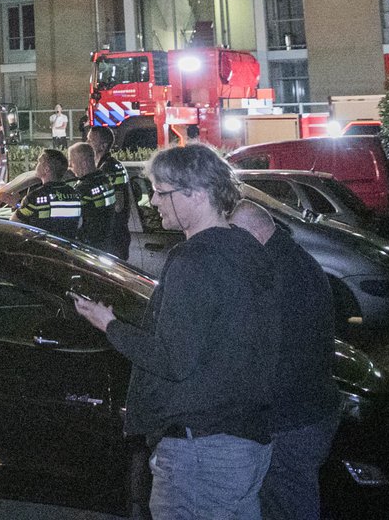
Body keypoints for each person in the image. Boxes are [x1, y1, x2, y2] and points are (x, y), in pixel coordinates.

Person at [71, 144, 276, 520]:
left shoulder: (193, 261)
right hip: (246, 440)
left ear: (195, 194)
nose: (152, 201)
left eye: (161, 192)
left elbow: (172, 360)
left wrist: (110, 325)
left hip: (203, 449)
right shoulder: (247, 252)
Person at [231, 201, 339, 520]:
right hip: (309, 410)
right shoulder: (293, 259)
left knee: (289, 502)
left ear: (252, 234)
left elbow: (266, 352)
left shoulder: (277, 276)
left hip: (292, 421)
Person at [12, 148, 81, 240]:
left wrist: (17, 204)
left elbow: (13, 223)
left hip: (44, 250)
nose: (36, 165)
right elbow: (79, 223)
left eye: (39, 162)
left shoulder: (35, 197)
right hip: (68, 249)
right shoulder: (74, 194)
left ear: (46, 169)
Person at [89, 124, 133, 259]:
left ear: (102, 146)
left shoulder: (109, 168)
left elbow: (118, 205)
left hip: (113, 237)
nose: (87, 144)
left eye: (90, 141)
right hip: (115, 235)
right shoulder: (109, 165)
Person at [67, 141, 117, 253]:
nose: (70, 167)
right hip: (106, 242)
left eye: (72, 162)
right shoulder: (104, 179)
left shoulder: (84, 188)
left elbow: (72, 220)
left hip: (89, 246)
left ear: (84, 164)